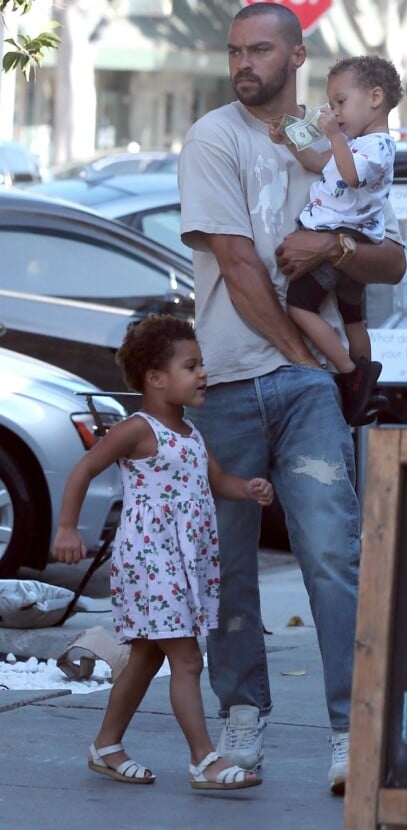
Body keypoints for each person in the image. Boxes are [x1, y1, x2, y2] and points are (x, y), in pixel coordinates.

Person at [178, 2, 406, 795]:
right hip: (230, 384)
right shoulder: (214, 137)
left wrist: (333, 245)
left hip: (304, 387)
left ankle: (351, 732)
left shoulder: (336, 134)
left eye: (260, 49)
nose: (243, 63)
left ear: (298, 55)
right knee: (229, 568)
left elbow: (390, 261)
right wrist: (305, 355)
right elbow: (240, 266)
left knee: (334, 556)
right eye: (234, 50)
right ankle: (244, 719)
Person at [51, 314, 273, 792]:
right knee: (187, 660)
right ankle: (203, 760)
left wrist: (248, 488)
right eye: (190, 366)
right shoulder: (138, 429)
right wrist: (67, 526)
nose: (203, 374)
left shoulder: (193, 434)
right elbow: (84, 469)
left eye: (201, 365)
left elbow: (217, 483)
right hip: (151, 562)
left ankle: (106, 745)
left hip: (182, 564)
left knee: (149, 655)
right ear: (155, 379)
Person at [269, 55, 404, 425]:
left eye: (340, 102)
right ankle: (365, 380)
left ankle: (351, 374)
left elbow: (351, 176)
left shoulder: (376, 147)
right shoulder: (353, 143)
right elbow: (319, 164)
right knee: (353, 318)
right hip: (351, 240)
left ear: (375, 97)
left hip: (339, 237)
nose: (334, 112)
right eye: (331, 105)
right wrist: (289, 143)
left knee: (299, 307)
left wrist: (332, 134)